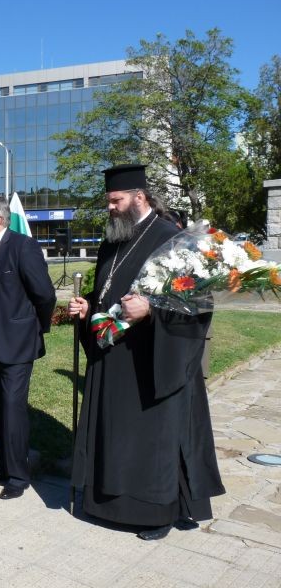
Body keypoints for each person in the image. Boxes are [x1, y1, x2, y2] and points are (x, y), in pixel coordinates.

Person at [68, 164, 224, 539]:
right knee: (117, 438)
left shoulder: (173, 240)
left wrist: (151, 311)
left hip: (153, 359)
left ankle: (156, 513)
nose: (110, 208)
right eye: (109, 201)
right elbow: (106, 291)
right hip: (114, 357)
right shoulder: (113, 240)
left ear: (139, 197)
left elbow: (198, 305)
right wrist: (88, 307)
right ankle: (108, 503)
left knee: (154, 440)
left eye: (116, 201)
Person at [0, 195, 56, 499]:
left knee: (13, 408)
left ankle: (18, 476)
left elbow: (45, 295)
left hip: (17, 343)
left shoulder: (22, 246)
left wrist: (33, 328)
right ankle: (4, 466)